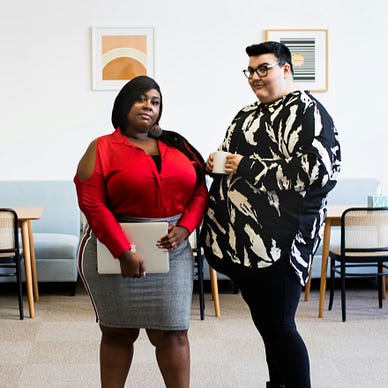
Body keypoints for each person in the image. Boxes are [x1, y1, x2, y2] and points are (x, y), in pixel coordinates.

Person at [200, 41, 341, 388]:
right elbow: (228, 157)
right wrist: (215, 164)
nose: (254, 77)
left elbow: (319, 172)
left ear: (286, 69)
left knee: (279, 325)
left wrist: (245, 166)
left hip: (283, 242)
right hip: (241, 243)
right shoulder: (245, 114)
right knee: (268, 326)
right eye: (250, 70)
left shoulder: (309, 112)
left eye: (263, 68)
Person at [74, 75, 208, 388]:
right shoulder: (102, 147)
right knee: (118, 332)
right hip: (113, 250)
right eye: (141, 98)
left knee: (173, 333)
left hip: (172, 252)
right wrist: (123, 251)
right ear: (123, 104)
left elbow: (201, 191)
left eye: (155, 101)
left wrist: (186, 228)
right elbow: (92, 203)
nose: (148, 106)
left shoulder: (178, 145)